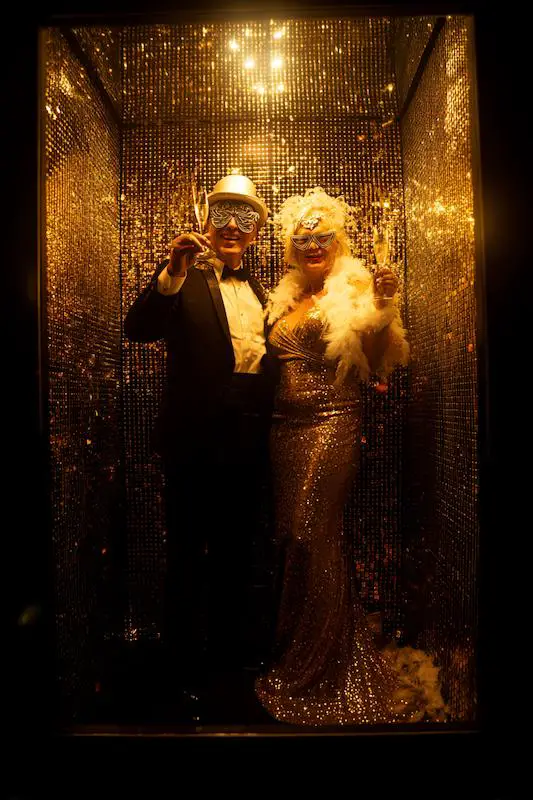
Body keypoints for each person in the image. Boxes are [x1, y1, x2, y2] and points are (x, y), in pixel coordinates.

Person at [254, 188, 448, 726]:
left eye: (323, 237)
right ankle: (303, 655)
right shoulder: (285, 296)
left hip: (332, 422)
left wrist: (385, 306)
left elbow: (381, 358)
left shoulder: (356, 287)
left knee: (309, 532)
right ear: (292, 248)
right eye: (303, 238)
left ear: (337, 242)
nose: (313, 245)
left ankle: (329, 668)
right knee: (296, 539)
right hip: (282, 430)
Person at [124, 174, 277, 723]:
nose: (232, 227)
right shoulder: (182, 278)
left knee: (238, 556)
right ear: (206, 222)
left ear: (258, 231)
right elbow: (137, 329)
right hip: (193, 443)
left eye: (245, 218)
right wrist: (171, 272)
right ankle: (180, 671)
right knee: (187, 555)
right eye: (223, 215)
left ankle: (229, 668)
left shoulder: (264, 290)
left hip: (249, 443)